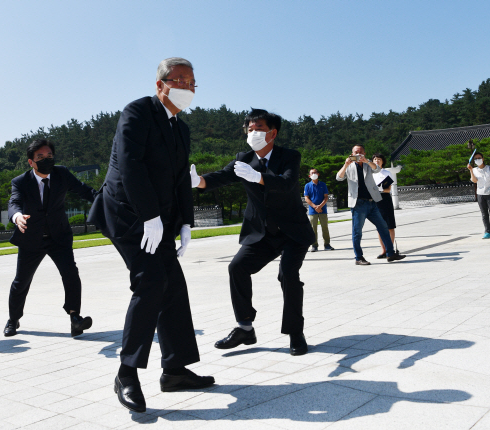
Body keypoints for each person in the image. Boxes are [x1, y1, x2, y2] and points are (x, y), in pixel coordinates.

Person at [88, 57, 214, 413]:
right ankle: (126, 373)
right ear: (160, 85)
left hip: (156, 218)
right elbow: (131, 165)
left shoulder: (181, 129)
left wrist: (186, 221)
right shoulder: (138, 112)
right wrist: (150, 216)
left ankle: (175, 369)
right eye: (180, 80)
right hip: (128, 213)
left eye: (192, 82)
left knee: (172, 283)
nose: (187, 87)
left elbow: (180, 179)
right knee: (152, 281)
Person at [191, 108, 315, 357]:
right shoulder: (243, 158)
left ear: (273, 133)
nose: (253, 133)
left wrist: (259, 177)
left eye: (259, 129)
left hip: (292, 231)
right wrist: (197, 181)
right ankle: (245, 327)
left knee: (288, 275)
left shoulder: (289, 156)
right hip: (262, 233)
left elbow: (288, 182)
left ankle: (295, 332)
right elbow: (222, 177)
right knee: (237, 267)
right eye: (250, 129)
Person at [4, 139, 96, 338]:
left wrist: (105, 201)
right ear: (31, 162)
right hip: (31, 239)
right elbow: (14, 202)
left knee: (71, 274)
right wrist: (17, 216)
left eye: (49, 156)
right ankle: (13, 319)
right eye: (40, 157)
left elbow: (84, 190)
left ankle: (75, 318)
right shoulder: (20, 182)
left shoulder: (61, 174)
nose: (46, 160)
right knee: (21, 281)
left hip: (59, 237)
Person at [336, 145, 406, 265]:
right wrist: (346, 164)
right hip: (358, 203)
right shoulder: (349, 166)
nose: (358, 154)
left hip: (373, 201)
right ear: (351, 153)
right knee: (357, 231)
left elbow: (377, 169)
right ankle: (359, 257)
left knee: (384, 227)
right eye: (356, 152)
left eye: (361, 152)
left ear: (364, 153)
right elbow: (339, 177)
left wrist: (367, 161)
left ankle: (390, 253)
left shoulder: (369, 165)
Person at [468, 152, 490, 239]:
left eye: (479, 158)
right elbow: (474, 181)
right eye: (475, 159)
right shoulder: (474, 170)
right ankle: (487, 232)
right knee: (484, 214)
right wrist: (471, 170)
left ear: (483, 159)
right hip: (480, 194)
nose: (477, 160)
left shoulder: (489, 168)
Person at [372, 154, 398, 257]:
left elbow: (387, 189)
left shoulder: (387, 173)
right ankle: (383, 250)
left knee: (389, 226)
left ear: (383, 161)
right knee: (379, 227)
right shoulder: (370, 173)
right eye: (375, 159)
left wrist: (377, 188)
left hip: (385, 199)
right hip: (374, 200)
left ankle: (390, 250)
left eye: (379, 159)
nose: (377, 161)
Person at [304, 168, 334, 252]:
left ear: (318, 174)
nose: (314, 174)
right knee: (313, 229)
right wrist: (315, 207)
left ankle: (327, 244)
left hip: (323, 210)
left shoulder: (323, 184)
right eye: (312, 173)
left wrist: (320, 206)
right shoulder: (307, 186)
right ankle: (314, 245)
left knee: (325, 227)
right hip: (312, 211)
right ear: (309, 176)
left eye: (315, 172)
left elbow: (326, 197)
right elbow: (306, 198)